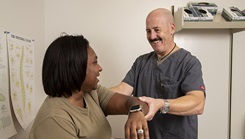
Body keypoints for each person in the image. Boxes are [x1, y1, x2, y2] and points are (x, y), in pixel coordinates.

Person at [29, 34, 150, 139]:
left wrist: (136, 112)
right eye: (95, 62)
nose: (100, 68)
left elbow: (134, 102)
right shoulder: (55, 119)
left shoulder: (91, 93)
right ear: (76, 68)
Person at [110, 8, 206, 139]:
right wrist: (93, 95)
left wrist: (162, 104)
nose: (152, 36)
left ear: (172, 28)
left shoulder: (189, 63)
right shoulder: (141, 62)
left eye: (157, 30)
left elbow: (198, 103)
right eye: (148, 31)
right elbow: (122, 90)